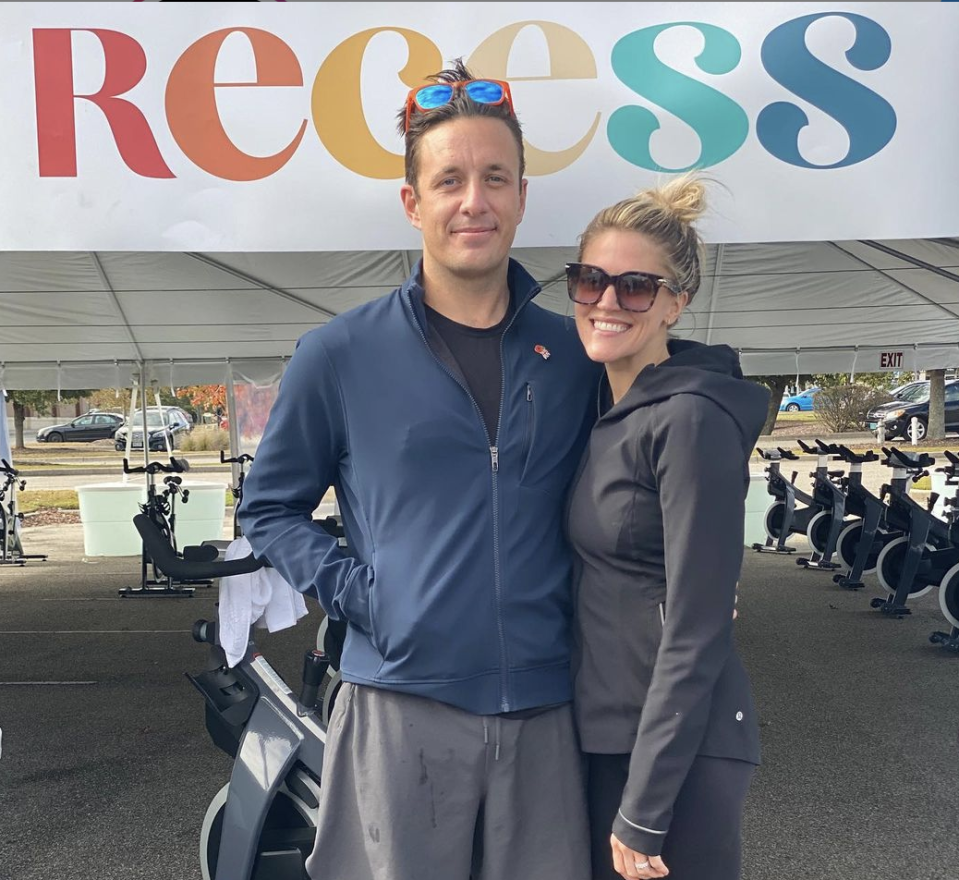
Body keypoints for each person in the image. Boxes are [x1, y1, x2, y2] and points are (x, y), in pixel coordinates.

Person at [237, 60, 600, 880]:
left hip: (547, 709)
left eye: (494, 177)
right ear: (413, 202)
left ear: (520, 195)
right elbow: (270, 508)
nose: (474, 200)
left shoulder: (576, 354)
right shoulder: (339, 353)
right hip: (401, 709)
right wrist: (368, 597)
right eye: (449, 181)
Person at [564, 177, 769, 880]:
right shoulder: (603, 409)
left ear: (676, 302)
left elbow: (696, 623)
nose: (607, 302)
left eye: (635, 287)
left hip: (673, 752)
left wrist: (645, 807)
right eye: (589, 280)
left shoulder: (688, 420)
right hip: (609, 731)